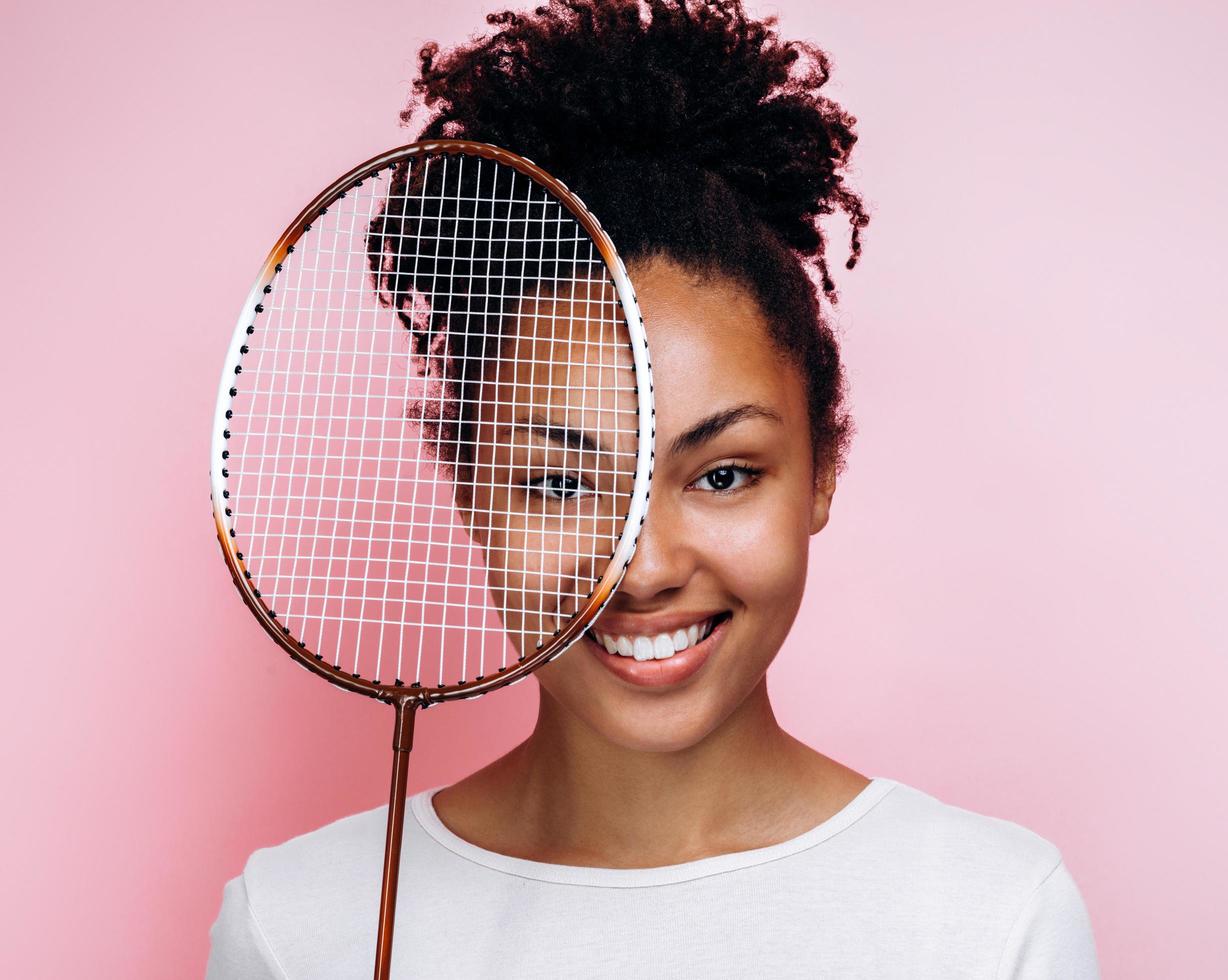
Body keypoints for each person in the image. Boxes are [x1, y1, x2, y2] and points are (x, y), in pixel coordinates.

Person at [206, 2, 1101, 976]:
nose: (642, 567)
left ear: (821, 471)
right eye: (558, 478)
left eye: (721, 474)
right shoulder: (295, 928)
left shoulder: (985, 918)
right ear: (467, 487)